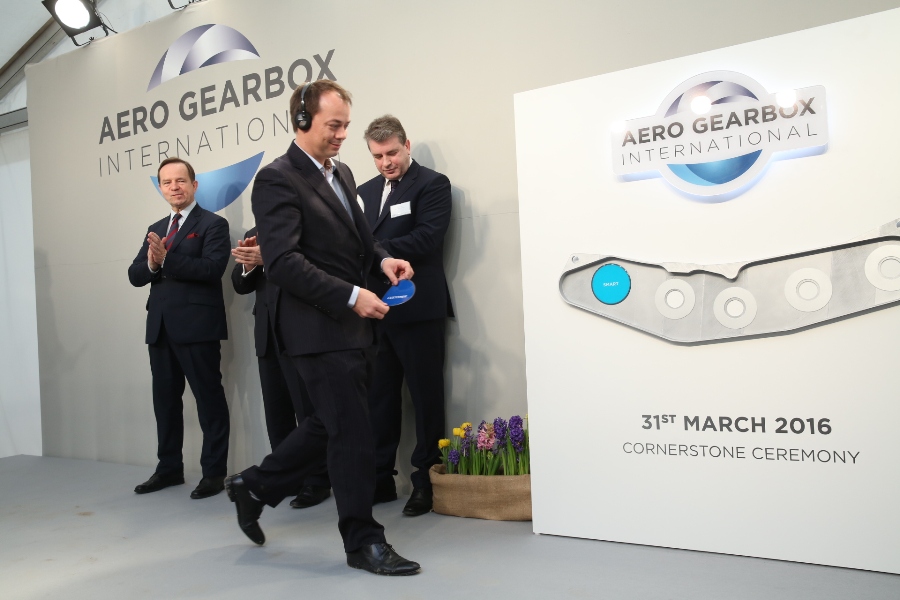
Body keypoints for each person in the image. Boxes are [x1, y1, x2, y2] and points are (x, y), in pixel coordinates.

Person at [223, 80, 421, 576]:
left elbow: (360, 238)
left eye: (346, 125)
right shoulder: (276, 179)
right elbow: (284, 263)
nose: (342, 135)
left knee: (330, 422)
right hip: (315, 328)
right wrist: (352, 296)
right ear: (302, 121)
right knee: (351, 432)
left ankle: (254, 486)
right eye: (334, 125)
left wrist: (383, 260)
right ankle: (363, 542)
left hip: (353, 327)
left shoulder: (342, 171)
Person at [359, 116, 453, 516]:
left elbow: (427, 238)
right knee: (379, 398)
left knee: (425, 398)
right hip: (375, 311)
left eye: (392, 153)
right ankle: (381, 478)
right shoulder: (362, 192)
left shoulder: (432, 184)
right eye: (378, 156)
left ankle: (426, 483)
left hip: (418, 308)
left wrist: (374, 250)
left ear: (407, 145)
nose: (386, 162)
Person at [127, 157, 231, 500]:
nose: (174, 187)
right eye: (167, 182)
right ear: (160, 188)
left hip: (198, 327)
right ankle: (169, 468)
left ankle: (214, 473)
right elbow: (135, 275)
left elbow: (212, 268)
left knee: (208, 400)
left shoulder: (213, 224)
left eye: (180, 180)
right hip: (160, 328)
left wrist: (166, 259)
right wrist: (151, 262)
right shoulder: (156, 227)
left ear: (194, 185)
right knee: (166, 403)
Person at [230, 228, 331, 508]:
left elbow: (315, 271)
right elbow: (240, 284)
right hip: (267, 334)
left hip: (299, 332)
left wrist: (269, 258)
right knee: (277, 414)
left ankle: (317, 481)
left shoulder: (304, 228)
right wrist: (249, 266)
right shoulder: (254, 233)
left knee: (307, 412)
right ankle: (285, 479)